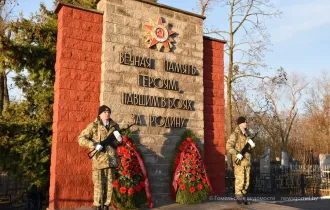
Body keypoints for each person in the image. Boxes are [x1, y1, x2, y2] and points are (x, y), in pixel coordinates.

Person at [78, 105, 122, 210]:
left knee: (109, 184)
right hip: (98, 160)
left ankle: (106, 205)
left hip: (111, 160)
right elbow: (81, 138)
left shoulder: (115, 126)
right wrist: (92, 144)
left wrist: (120, 139)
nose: (107, 114)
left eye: (108, 112)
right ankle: (98, 206)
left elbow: (119, 144)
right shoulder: (93, 126)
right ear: (100, 114)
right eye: (105, 112)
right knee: (98, 184)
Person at [226, 116, 255, 205]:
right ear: (240, 123)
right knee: (240, 180)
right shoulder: (235, 134)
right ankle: (239, 198)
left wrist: (252, 145)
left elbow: (248, 149)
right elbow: (228, 146)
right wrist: (236, 153)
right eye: (244, 122)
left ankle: (244, 198)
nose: (246, 123)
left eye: (246, 122)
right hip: (240, 162)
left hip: (247, 161)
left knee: (246, 181)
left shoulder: (247, 134)